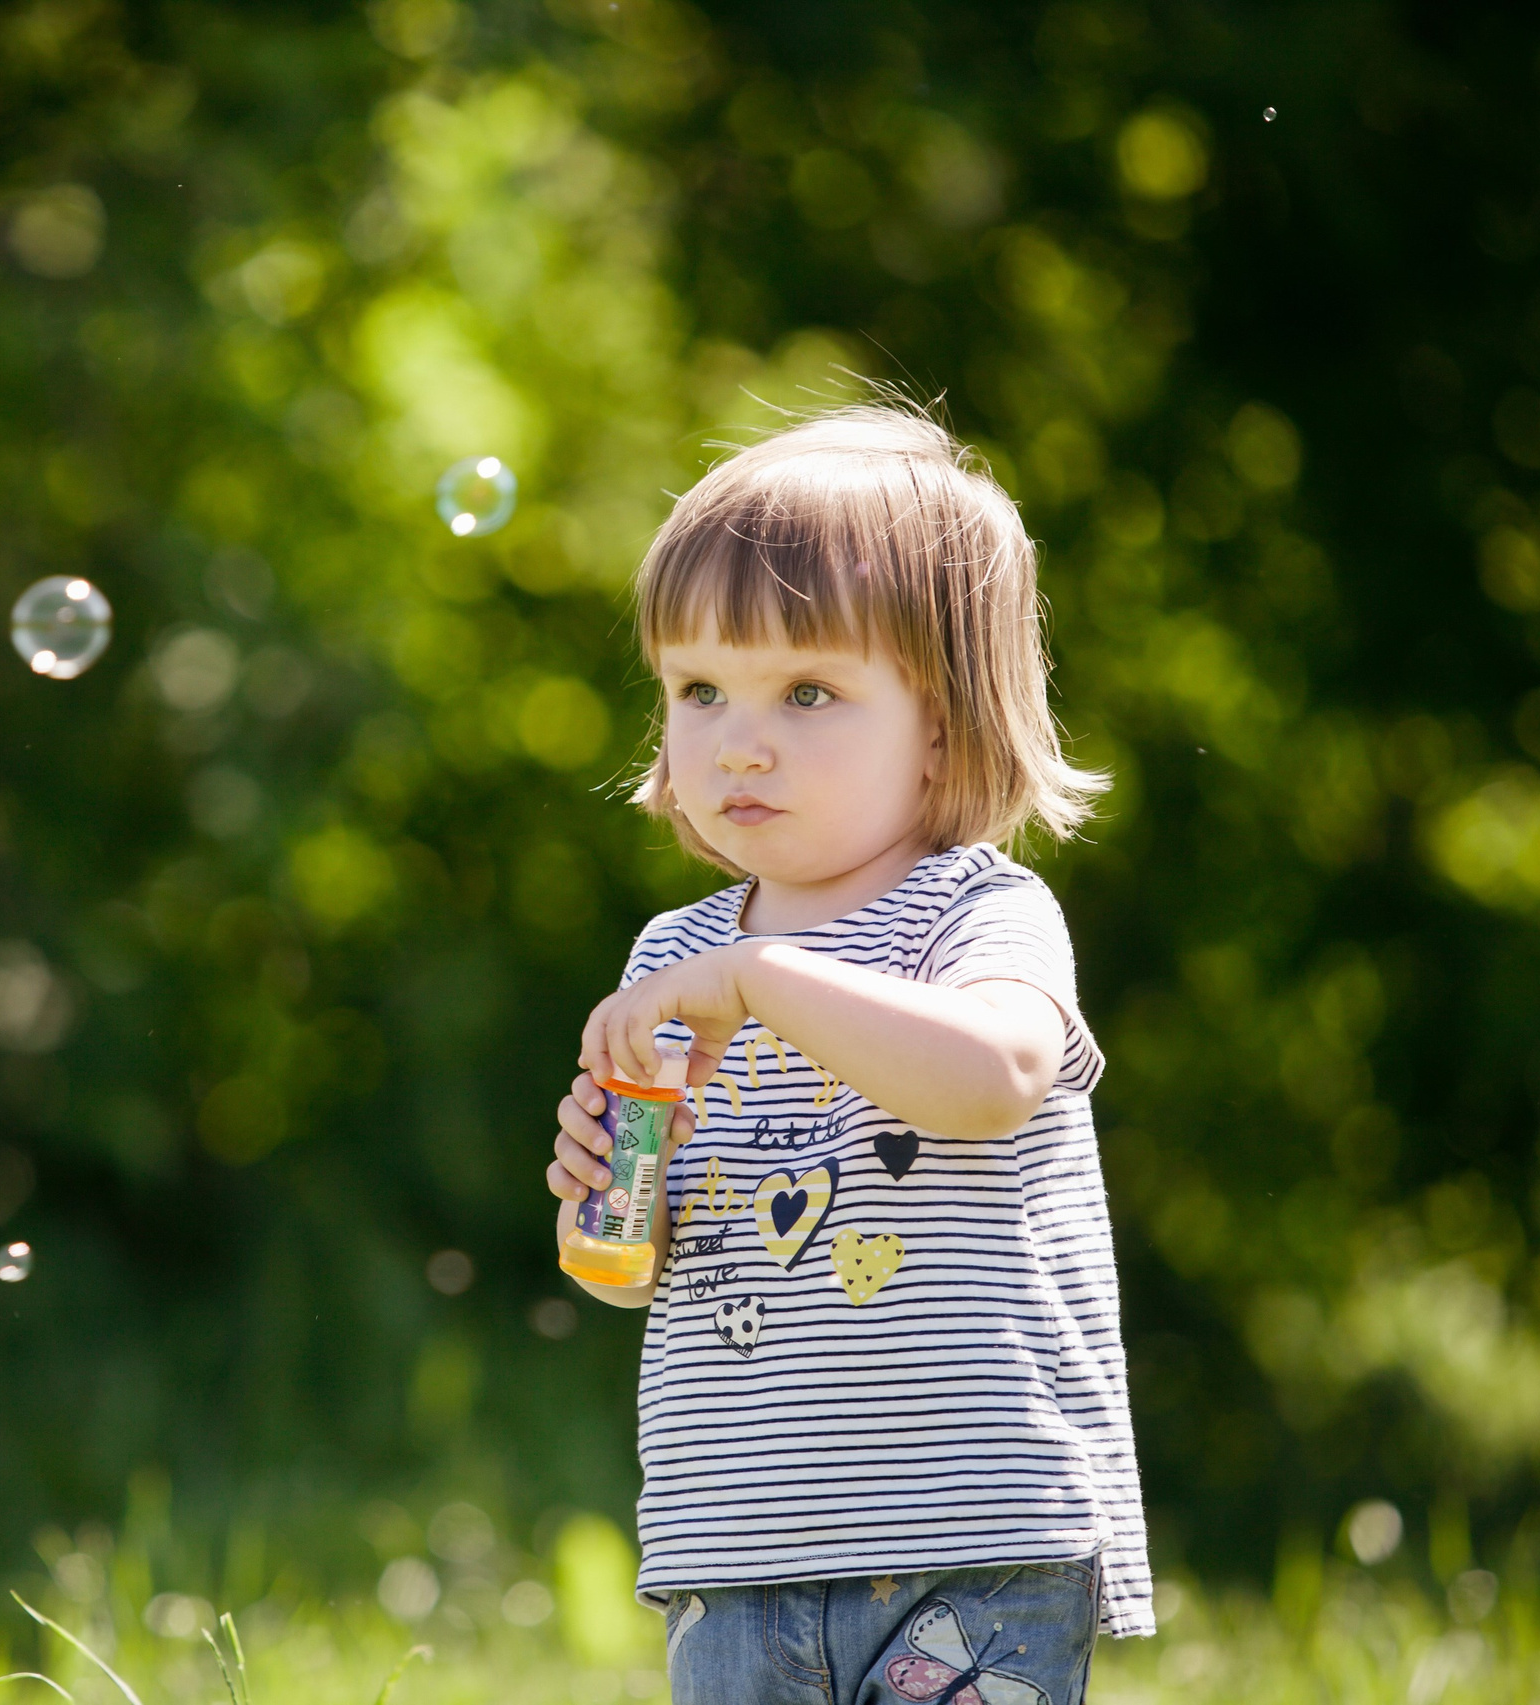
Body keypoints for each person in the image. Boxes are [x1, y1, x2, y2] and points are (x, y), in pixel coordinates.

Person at [544, 403, 1152, 1704]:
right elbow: (638, 1267)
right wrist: (604, 1193)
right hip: (740, 1546)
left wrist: (764, 981)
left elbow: (992, 1078)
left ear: (941, 723)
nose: (737, 739)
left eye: (806, 690)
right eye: (698, 688)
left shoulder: (978, 914)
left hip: (976, 1544)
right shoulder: (677, 950)